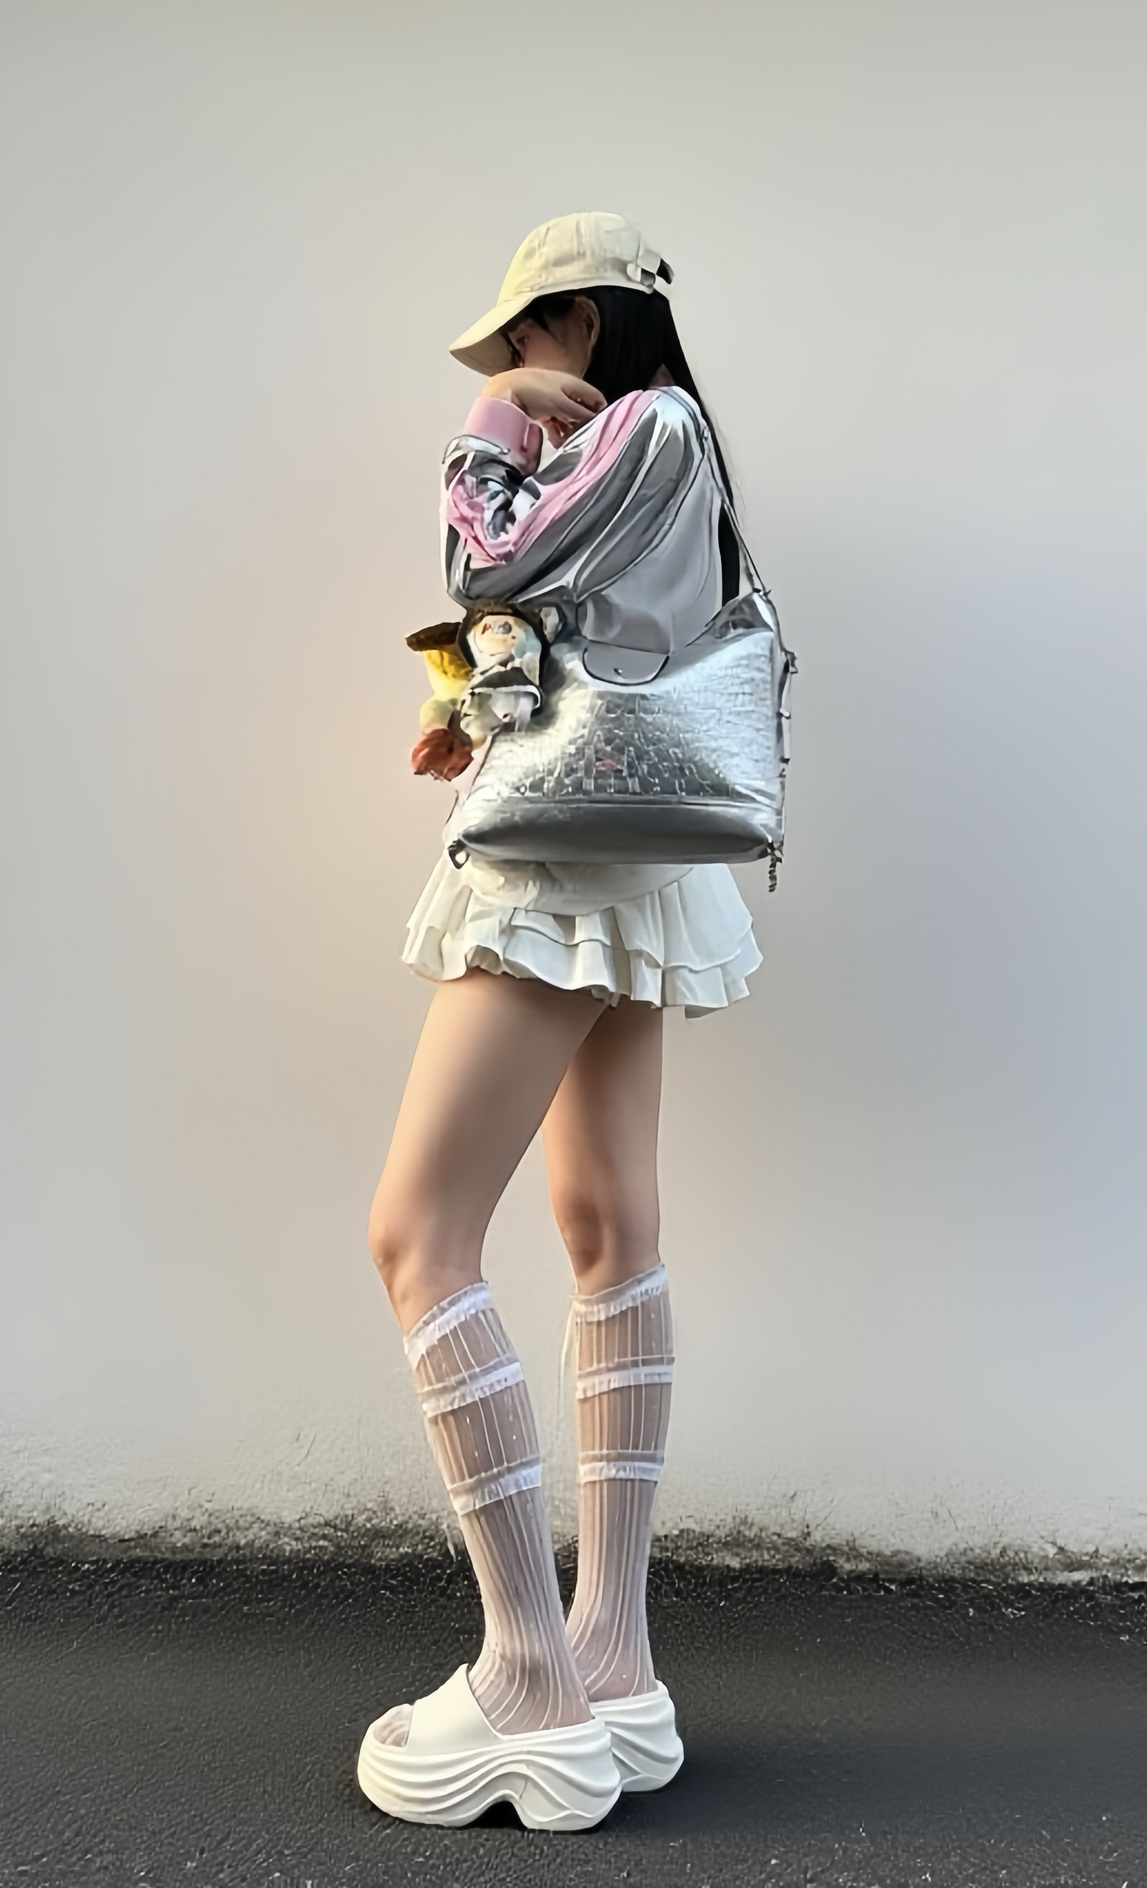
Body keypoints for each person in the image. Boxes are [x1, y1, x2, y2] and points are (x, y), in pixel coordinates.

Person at [358, 212, 763, 1831]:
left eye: (524, 342)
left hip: (562, 863)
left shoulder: (643, 427)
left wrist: (491, 423)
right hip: (627, 855)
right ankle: (612, 1656)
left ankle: (526, 1672)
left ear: (577, 323)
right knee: (604, 1227)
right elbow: (569, 624)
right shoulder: (672, 449)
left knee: (416, 1235)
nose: (514, 373)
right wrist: (478, 704)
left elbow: (486, 558)